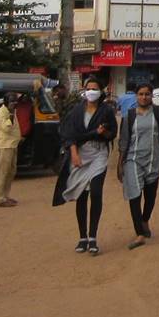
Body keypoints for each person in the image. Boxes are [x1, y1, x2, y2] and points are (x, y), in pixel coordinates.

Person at [55, 76, 119, 256]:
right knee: (82, 195)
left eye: (95, 88)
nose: (91, 91)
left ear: (100, 91)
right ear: (84, 90)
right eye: (88, 88)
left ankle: (93, 237)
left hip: (99, 153)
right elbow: (69, 135)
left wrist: (103, 132)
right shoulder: (75, 111)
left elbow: (112, 133)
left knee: (96, 192)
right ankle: (82, 237)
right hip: (80, 154)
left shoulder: (106, 110)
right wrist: (74, 153)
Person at [115, 84, 159, 250]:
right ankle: (139, 234)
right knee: (134, 195)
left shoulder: (158, 113)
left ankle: (145, 220)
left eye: (147, 94)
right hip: (133, 160)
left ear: (151, 96)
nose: (144, 97)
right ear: (136, 96)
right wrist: (120, 164)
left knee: (150, 196)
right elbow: (123, 142)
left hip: (153, 160)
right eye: (141, 94)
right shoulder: (129, 116)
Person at [0, 91, 27, 208]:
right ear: (6, 102)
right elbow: (7, 128)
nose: (14, 104)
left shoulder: (11, 111)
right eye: (12, 101)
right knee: (2, 173)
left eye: (15, 101)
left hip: (12, 145)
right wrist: (11, 114)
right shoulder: (1, 113)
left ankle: (5, 196)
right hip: (4, 146)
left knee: (11, 172)